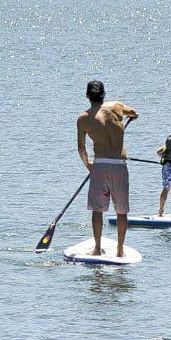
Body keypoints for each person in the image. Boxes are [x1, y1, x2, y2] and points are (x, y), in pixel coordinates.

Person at [76, 80, 138, 257]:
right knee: (121, 210)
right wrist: (131, 116)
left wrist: (88, 164)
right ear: (104, 93)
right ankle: (120, 249)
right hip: (119, 165)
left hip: (100, 165)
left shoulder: (83, 118)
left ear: (87, 96)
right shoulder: (116, 107)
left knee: (98, 210)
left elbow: (81, 148)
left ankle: (96, 248)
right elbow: (134, 112)